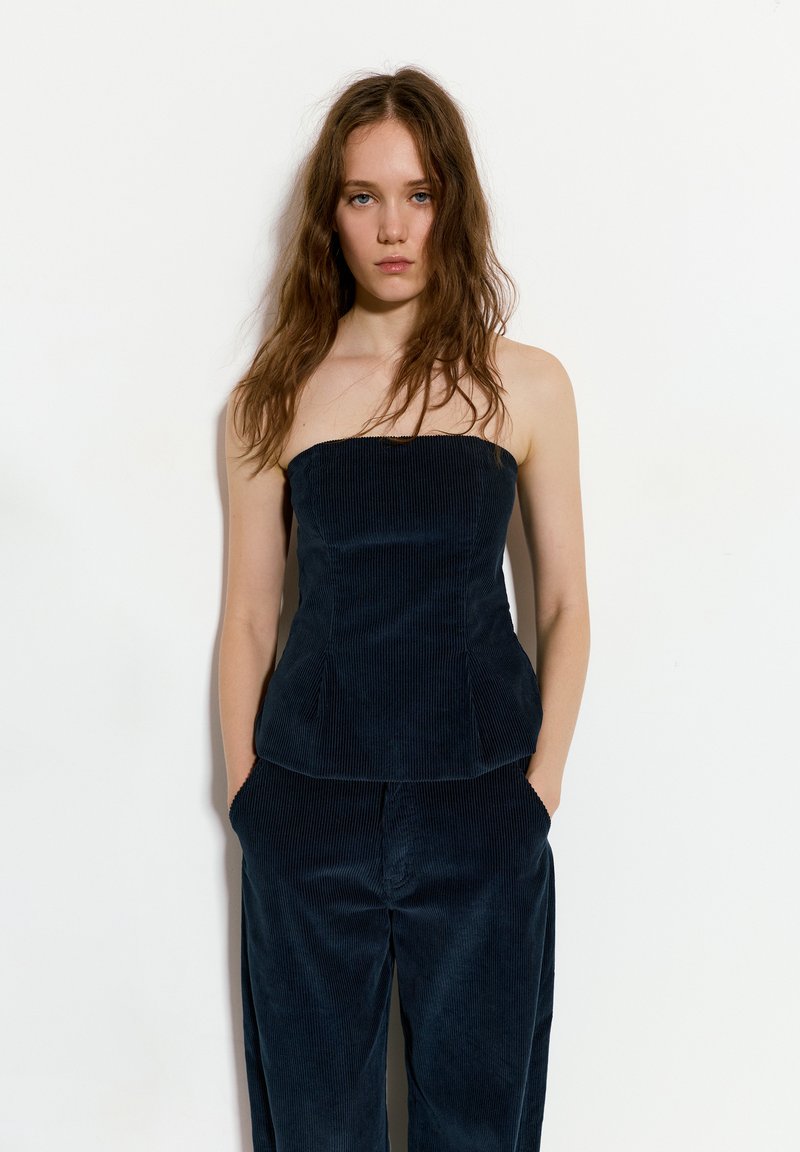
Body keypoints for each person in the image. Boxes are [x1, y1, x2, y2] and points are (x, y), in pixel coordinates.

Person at [219, 65, 590, 1152]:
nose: (393, 227)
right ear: (329, 214)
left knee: (479, 1131)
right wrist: (250, 800)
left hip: (482, 807)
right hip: (308, 812)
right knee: (316, 1131)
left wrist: (536, 793)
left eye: (419, 194)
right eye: (363, 196)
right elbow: (249, 618)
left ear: (451, 204)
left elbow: (565, 600)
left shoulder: (526, 384)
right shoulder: (273, 396)